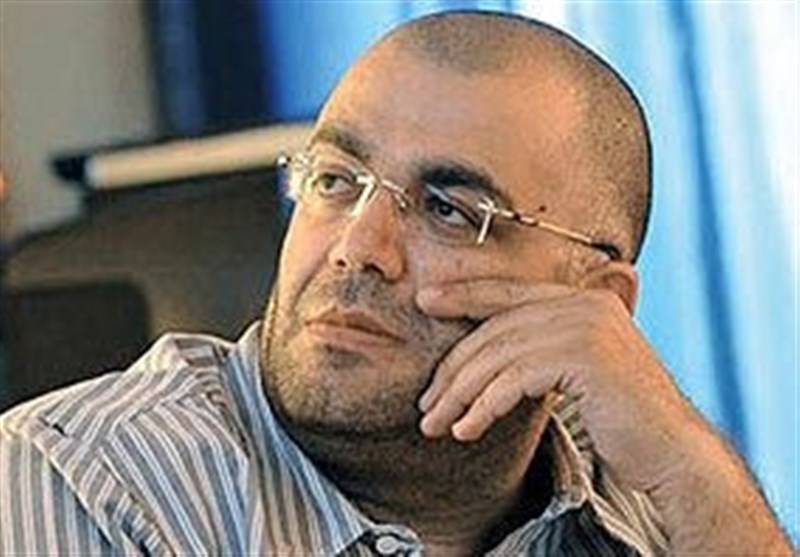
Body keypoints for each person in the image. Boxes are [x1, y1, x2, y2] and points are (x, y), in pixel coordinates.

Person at [0, 11, 791, 556]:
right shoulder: (83, 481)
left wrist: (695, 471)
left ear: (596, 300)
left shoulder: (651, 496)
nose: (358, 248)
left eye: (448, 209)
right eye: (335, 180)